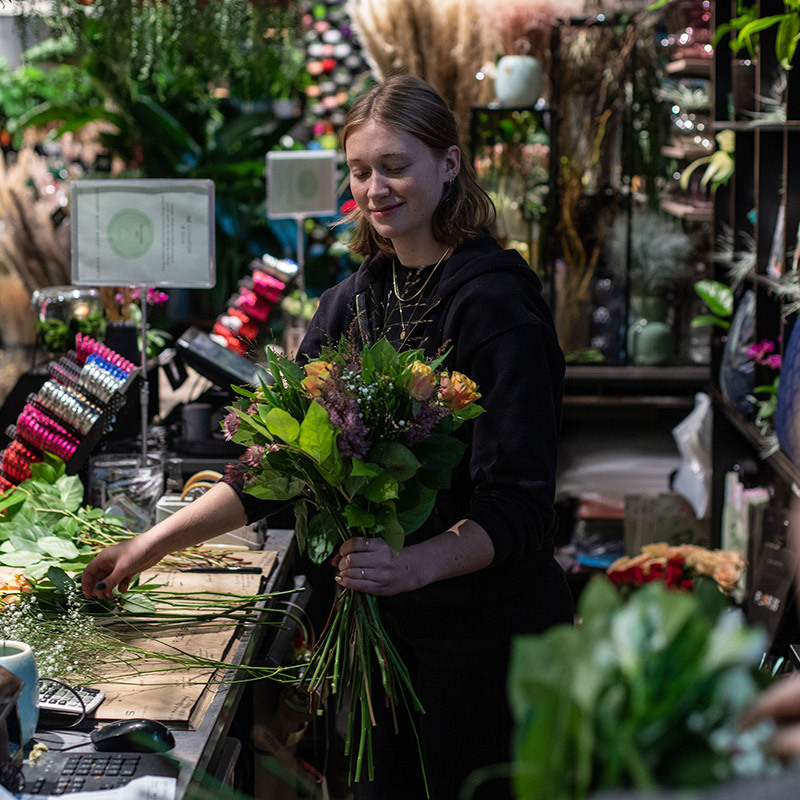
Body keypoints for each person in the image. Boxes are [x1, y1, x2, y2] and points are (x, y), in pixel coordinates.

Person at [81, 75, 574, 800]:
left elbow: (521, 506)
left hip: (485, 655)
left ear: (450, 163)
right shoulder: (354, 302)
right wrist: (147, 546)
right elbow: (277, 467)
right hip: (381, 644)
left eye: (397, 166)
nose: (377, 188)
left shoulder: (495, 302)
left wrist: (415, 563)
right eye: (361, 170)